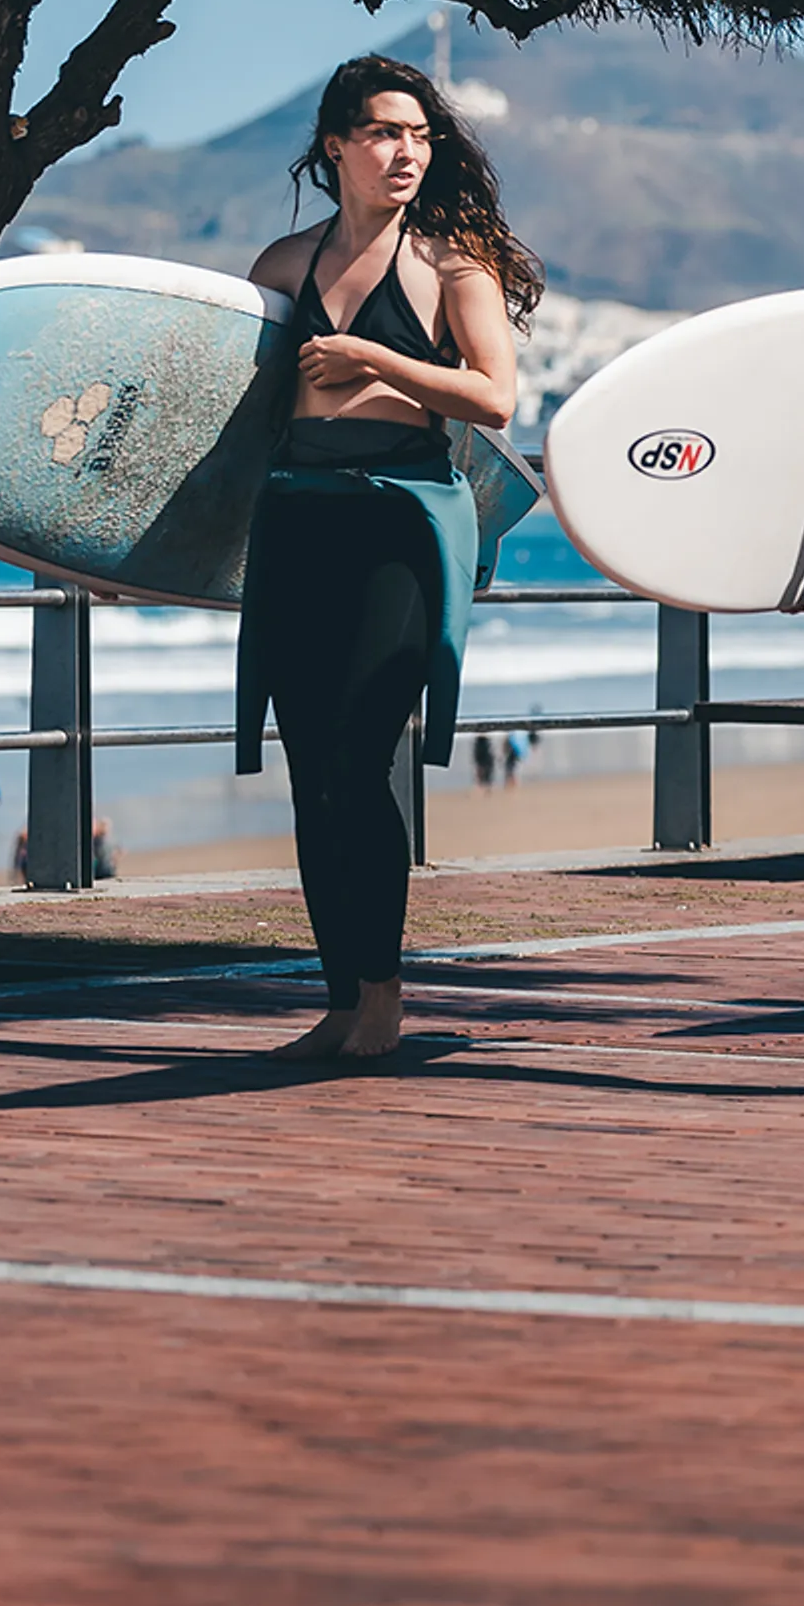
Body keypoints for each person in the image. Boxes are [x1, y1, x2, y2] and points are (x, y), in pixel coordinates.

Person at [239, 54, 542, 1062]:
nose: (405, 150)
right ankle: (339, 996)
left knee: (360, 762)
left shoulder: (453, 267)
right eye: (382, 132)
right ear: (336, 145)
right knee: (309, 773)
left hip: (399, 530)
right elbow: (231, 422)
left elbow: (497, 397)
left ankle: (380, 995)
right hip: (296, 526)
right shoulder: (283, 269)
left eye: (418, 134)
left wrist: (373, 359)